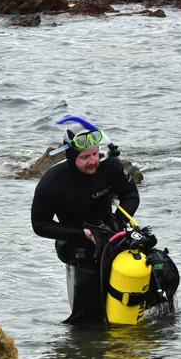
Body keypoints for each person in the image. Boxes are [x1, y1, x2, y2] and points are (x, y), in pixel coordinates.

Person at [31, 116, 140, 325]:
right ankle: (85, 330)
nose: (93, 161)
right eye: (85, 157)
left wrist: (116, 224)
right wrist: (79, 234)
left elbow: (131, 196)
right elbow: (40, 225)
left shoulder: (110, 167)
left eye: (95, 154)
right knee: (88, 264)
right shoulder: (52, 182)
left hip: (109, 228)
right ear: (71, 156)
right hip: (73, 238)